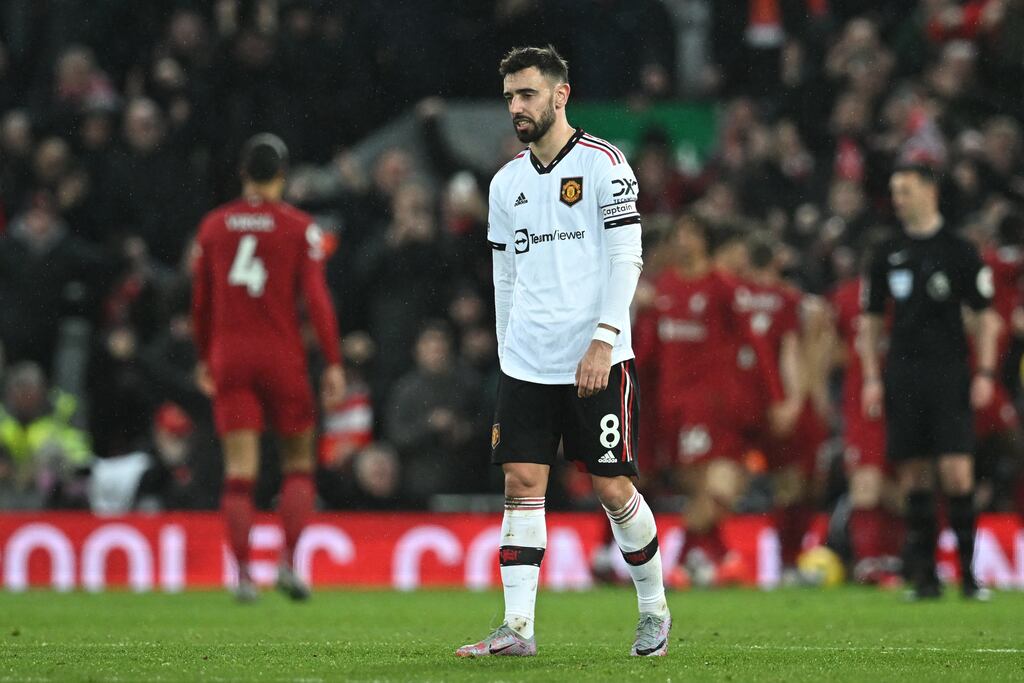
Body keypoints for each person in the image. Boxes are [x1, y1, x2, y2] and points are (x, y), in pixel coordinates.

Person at [456, 45, 670, 659]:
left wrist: (605, 338)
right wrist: (506, 350)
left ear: (560, 94)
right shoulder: (506, 183)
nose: (516, 108)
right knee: (521, 483)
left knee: (611, 487)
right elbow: (505, 276)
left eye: (526, 95)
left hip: (595, 357)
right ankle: (517, 628)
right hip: (527, 362)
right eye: (509, 98)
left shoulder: (605, 165)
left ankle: (654, 609)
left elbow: (627, 259)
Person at [191, 133, 345, 602]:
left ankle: (240, 575)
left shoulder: (214, 227)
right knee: (298, 464)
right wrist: (334, 361)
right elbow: (316, 300)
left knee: (240, 473)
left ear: (243, 174)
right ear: (283, 175)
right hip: (282, 357)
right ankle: (288, 566)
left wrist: (203, 355)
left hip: (230, 356)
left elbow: (201, 302)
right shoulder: (300, 228)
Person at [860, 163, 1001, 601]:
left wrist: (985, 372)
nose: (897, 199)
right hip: (903, 374)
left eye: (904, 190)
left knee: (957, 474)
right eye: (893, 190)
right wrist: (870, 377)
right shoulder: (886, 251)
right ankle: (925, 578)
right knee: (915, 476)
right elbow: (869, 322)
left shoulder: (959, 250)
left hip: (950, 373)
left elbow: (985, 317)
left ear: (928, 191)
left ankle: (968, 575)